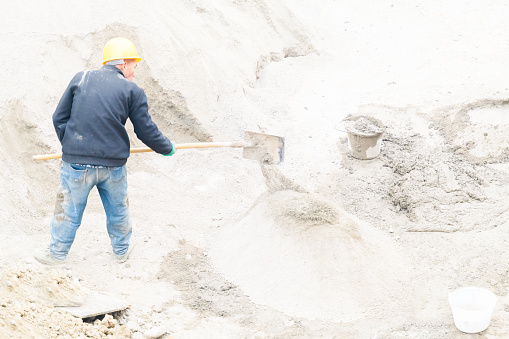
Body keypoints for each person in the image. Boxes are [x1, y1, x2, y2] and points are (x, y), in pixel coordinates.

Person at [34, 37, 175, 265]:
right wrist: (166, 147)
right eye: (134, 66)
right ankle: (121, 251)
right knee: (118, 210)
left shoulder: (81, 78)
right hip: (113, 166)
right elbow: (145, 130)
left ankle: (57, 254)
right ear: (122, 64)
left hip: (76, 166)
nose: (134, 73)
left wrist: (72, 147)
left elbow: (58, 118)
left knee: (68, 211)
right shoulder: (132, 90)